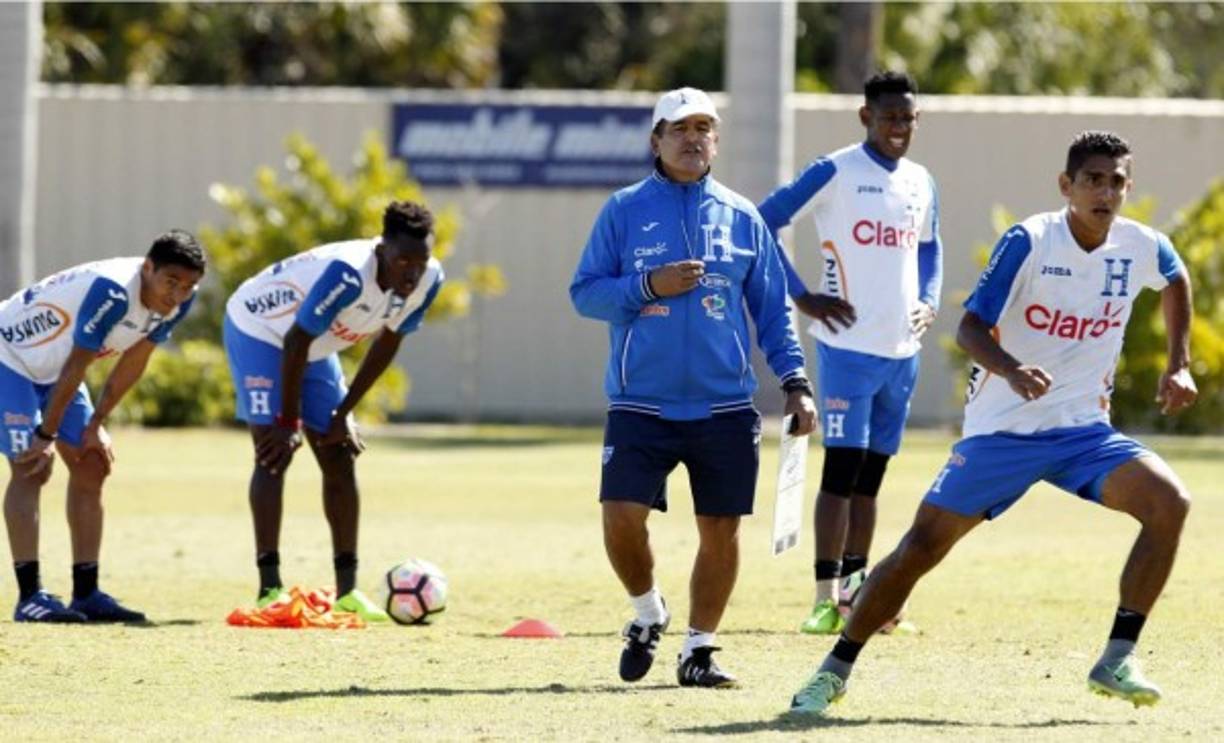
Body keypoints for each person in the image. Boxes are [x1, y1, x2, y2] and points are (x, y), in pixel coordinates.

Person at [789, 131, 1196, 715]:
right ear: (1067, 186)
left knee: (1170, 504)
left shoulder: (1141, 245)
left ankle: (1116, 658)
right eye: (1093, 180)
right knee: (921, 548)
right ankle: (833, 669)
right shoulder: (1030, 240)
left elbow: (1176, 278)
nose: (1105, 191)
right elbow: (969, 329)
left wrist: (1178, 365)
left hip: (1084, 433)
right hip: (1002, 433)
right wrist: (1011, 370)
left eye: (1117, 182)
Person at [570, 87, 818, 688]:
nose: (693, 137)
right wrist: (648, 284)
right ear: (656, 140)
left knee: (721, 530)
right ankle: (647, 612)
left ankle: (699, 651)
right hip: (640, 402)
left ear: (716, 140)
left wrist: (795, 381)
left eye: (704, 127)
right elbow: (585, 293)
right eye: (679, 128)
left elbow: (771, 311)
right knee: (621, 517)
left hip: (725, 406)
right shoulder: (623, 210)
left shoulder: (742, 217)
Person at [757, 70, 942, 635]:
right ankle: (822, 596)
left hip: (900, 351)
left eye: (908, 118)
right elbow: (764, 220)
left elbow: (931, 247)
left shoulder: (920, 181)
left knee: (871, 481)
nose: (899, 128)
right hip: (846, 350)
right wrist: (803, 296)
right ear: (866, 117)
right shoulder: (835, 170)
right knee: (840, 475)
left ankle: (859, 595)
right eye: (889, 117)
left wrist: (929, 301)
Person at [223, 201, 443, 621]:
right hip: (260, 330)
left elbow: (387, 344)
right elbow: (293, 342)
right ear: (382, 252)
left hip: (313, 345)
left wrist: (343, 414)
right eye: (402, 261)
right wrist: (288, 423)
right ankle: (270, 588)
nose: (411, 273)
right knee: (273, 453)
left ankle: (348, 593)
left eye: (421, 261)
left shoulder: (429, 280)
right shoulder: (346, 274)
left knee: (339, 454)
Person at [1, 231, 206, 622]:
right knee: (31, 467)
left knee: (92, 461)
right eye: (171, 282)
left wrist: (96, 424)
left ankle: (86, 593)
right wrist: (46, 435)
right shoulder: (113, 292)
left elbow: (134, 360)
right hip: (10, 359)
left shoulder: (179, 302)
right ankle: (29, 598)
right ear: (148, 268)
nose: (178, 294)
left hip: (56, 371)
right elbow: (79, 362)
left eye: (188, 286)